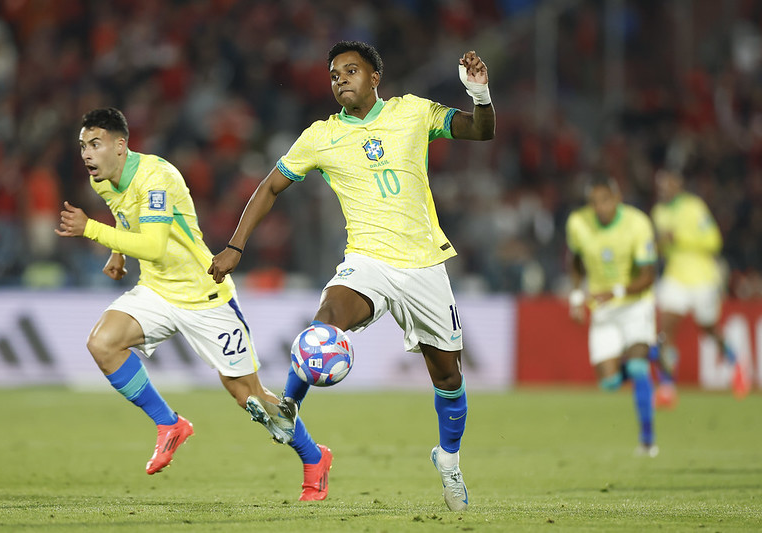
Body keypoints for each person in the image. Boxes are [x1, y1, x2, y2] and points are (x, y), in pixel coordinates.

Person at [209, 40, 495, 511]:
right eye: (334, 73)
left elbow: (480, 132)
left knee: (448, 377)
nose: (340, 78)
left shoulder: (412, 113)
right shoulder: (320, 136)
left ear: (375, 77)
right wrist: (237, 245)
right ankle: (287, 409)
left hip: (424, 264)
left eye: (350, 70)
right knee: (322, 325)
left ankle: (448, 459)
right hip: (368, 262)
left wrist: (479, 95)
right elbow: (269, 186)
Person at [56, 108, 326, 499]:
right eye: (82, 146)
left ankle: (314, 457)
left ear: (120, 145)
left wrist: (91, 231)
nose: (86, 154)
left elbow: (153, 243)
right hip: (157, 289)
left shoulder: (156, 177)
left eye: (95, 144)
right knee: (103, 343)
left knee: (247, 396)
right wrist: (118, 254)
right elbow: (126, 217)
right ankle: (170, 424)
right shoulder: (102, 179)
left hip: (204, 294)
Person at [565, 174, 658, 457]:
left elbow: (648, 276)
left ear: (617, 198)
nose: (600, 207)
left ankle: (647, 440)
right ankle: (656, 352)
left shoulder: (638, 223)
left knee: (639, 369)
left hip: (635, 304)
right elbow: (577, 260)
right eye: (594, 202)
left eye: (605, 200)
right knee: (609, 383)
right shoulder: (578, 223)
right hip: (603, 309)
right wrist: (577, 295)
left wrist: (615, 291)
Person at [650, 165, 749, 408]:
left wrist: (680, 239)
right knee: (665, 328)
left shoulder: (694, 207)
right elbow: (662, 247)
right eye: (660, 184)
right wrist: (661, 245)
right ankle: (666, 386)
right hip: (675, 276)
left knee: (709, 328)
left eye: (667, 183)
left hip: (703, 276)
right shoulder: (658, 212)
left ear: (678, 184)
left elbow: (713, 241)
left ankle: (736, 365)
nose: (663, 188)